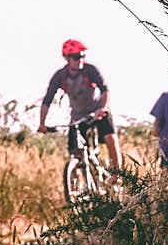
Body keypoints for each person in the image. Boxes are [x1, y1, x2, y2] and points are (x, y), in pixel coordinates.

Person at [38, 39, 122, 175]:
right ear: (67, 58)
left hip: (97, 110)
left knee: (110, 138)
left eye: (83, 56)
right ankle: (80, 182)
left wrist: (103, 108)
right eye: (77, 57)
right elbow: (47, 101)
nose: (80, 60)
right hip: (78, 116)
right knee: (75, 151)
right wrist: (42, 123)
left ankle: (117, 175)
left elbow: (105, 90)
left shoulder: (90, 70)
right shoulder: (60, 76)